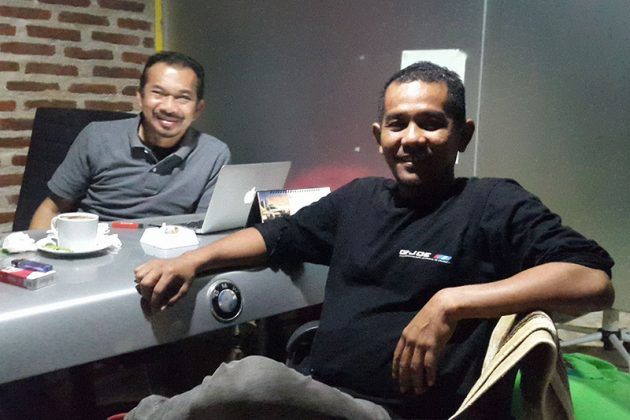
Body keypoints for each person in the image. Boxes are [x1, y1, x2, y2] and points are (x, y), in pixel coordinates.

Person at [130, 61, 614, 419]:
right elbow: (276, 235)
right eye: (398, 124)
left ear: (462, 135)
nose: (412, 137)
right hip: (319, 388)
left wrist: (452, 303)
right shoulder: (359, 198)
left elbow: (592, 280)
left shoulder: (492, 203)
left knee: (250, 378)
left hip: (397, 412)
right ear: (379, 135)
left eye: (431, 122)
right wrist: (193, 260)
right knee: (245, 383)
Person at [29, 51, 230, 229]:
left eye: (183, 97)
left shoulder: (213, 155)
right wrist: (30, 255)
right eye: (158, 93)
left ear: (198, 109)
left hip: (169, 254)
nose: (169, 107)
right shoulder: (97, 137)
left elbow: (204, 230)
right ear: (140, 97)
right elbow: (52, 210)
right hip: (93, 248)